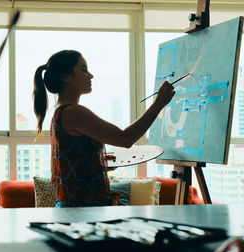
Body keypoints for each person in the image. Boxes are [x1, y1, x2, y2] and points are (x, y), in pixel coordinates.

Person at [33, 50, 175, 208]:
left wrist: (97, 162)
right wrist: (159, 104)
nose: (90, 75)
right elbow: (125, 138)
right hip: (82, 210)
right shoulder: (73, 112)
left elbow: (71, 161)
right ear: (66, 77)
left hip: (76, 208)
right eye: (83, 70)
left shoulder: (61, 112)